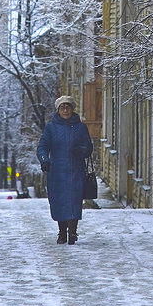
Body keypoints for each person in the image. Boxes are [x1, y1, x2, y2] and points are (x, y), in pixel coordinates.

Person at [37, 94, 93, 244]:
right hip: (56, 172)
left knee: (74, 200)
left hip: (76, 171)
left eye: (68, 106)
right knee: (58, 201)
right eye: (62, 107)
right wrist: (44, 160)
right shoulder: (51, 128)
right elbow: (43, 147)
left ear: (72, 109)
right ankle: (62, 232)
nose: (65, 110)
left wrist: (81, 150)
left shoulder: (80, 127)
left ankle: (73, 232)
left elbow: (88, 147)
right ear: (58, 110)